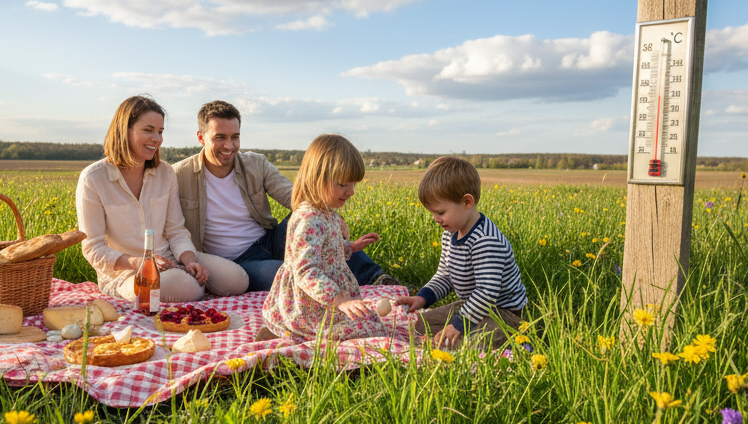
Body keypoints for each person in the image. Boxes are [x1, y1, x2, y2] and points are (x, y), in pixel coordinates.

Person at [172, 100, 395, 292]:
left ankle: (378, 279)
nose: (229, 146)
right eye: (220, 137)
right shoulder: (179, 174)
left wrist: (331, 218)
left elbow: (295, 197)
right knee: (288, 276)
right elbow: (168, 224)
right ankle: (331, 291)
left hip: (270, 240)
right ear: (201, 137)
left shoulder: (256, 163)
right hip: (234, 262)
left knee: (315, 216)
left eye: (235, 137)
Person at [75, 95, 248, 303]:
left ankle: (189, 280)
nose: (157, 139)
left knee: (237, 281)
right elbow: (93, 248)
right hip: (126, 272)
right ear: (125, 130)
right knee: (185, 287)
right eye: (148, 130)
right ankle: (188, 285)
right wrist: (140, 262)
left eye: (160, 131)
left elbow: (176, 230)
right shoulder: (93, 178)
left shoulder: (165, 173)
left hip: (171, 259)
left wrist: (189, 260)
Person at [256, 134, 395, 342]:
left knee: (368, 322)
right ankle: (290, 331)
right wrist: (338, 300)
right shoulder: (308, 218)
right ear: (318, 178)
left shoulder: (324, 212)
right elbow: (306, 271)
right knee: (368, 328)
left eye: (353, 184)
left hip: (323, 300)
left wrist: (351, 246)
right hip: (310, 303)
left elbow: (325, 251)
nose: (351, 192)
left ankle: (288, 331)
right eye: (343, 185)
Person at [394, 156, 528, 347]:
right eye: (432, 213)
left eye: (440, 212)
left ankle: (517, 342)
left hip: (503, 314)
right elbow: (445, 275)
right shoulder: (451, 233)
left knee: (458, 343)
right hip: (470, 305)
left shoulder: (486, 240)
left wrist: (459, 325)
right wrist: (423, 297)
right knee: (417, 326)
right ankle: (443, 337)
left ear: (466, 202)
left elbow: (486, 292)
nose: (435, 218)